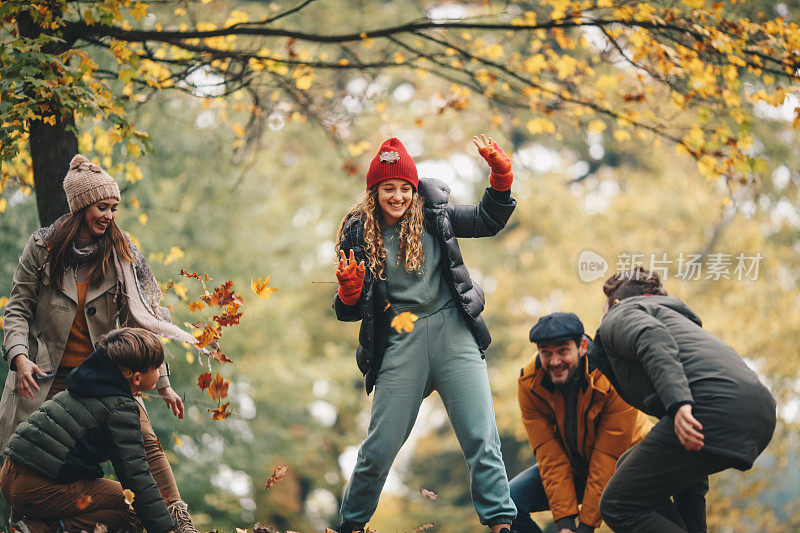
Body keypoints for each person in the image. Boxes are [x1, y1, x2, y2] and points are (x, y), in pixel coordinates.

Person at [1, 154, 199, 531]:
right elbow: (17, 309)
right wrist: (19, 356)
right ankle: (27, 523)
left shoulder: (124, 254)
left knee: (147, 443)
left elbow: (148, 322)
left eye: (114, 207)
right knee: (34, 457)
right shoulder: (42, 249)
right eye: (101, 206)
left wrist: (165, 384)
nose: (109, 215)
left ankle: (179, 519)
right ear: (80, 207)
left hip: (104, 375)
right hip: (44, 376)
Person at [332, 136, 517, 532]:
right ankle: (350, 526)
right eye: (388, 188)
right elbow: (354, 310)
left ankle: (501, 523)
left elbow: (488, 219)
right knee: (377, 451)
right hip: (401, 340)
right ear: (374, 191)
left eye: (404, 188)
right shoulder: (358, 233)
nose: (397, 196)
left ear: (414, 189)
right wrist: (349, 291)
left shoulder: (436, 214)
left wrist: (500, 177)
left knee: (481, 437)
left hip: (453, 331)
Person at [595, 267, 777, 533]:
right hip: (759, 411)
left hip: (710, 405)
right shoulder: (676, 320)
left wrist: (679, 404)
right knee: (631, 470)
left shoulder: (621, 313)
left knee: (618, 503)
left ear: (615, 303)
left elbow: (651, 337)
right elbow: (689, 477)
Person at [0, 327, 176, 532]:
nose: (161, 369)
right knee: (133, 506)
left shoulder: (85, 385)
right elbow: (136, 476)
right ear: (136, 378)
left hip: (8, 477)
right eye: (157, 366)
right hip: (38, 489)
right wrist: (167, 529)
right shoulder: (120, 407)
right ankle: (44, 529)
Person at [512, 312, 651, 533]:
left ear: (582, 345)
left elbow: (607, 457)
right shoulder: (530, 384)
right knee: (508, 503)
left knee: (651, 519)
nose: (555, 361)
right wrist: (565, 524)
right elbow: (550, 455)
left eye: (563, 351)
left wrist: (585, 527)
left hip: (628, 460)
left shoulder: (612, 375)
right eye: (546, 353)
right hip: (576, 464)